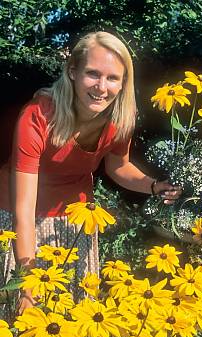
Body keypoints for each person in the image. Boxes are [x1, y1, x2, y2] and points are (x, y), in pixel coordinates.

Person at [0, 31, 181, 315]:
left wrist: (155, 186)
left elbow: (118, 167)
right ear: (72, 71)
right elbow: (24, 209)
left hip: (75, 221)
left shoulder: (119, 119)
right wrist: (27, 285)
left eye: (112, 78)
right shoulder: (37, 115)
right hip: (18, 222)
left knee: (78, 319)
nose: (101, 87)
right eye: (92, 74)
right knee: (17, 321)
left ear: (123, 84)